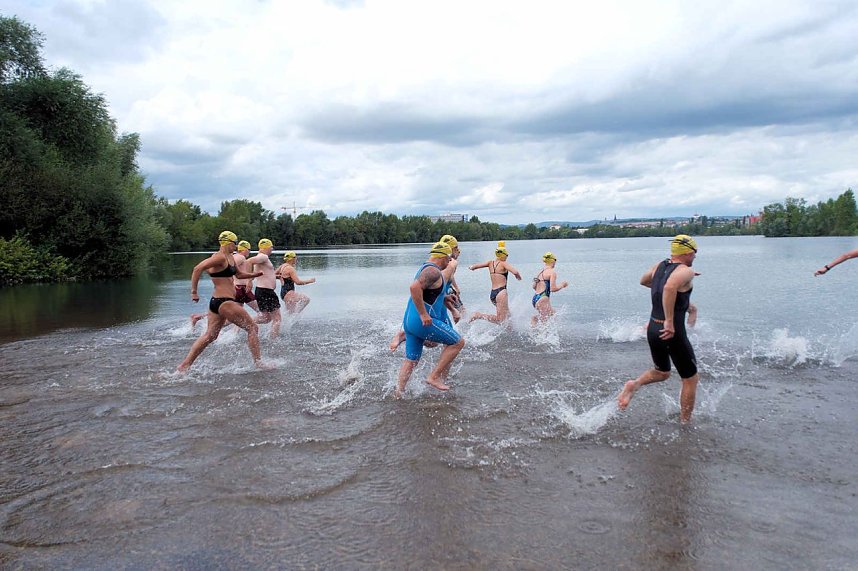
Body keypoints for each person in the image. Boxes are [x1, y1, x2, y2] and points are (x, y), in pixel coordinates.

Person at [618, 235, 700, 424]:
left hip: (653, 329)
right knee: (690, 378)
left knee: (662, 372)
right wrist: (670, 321)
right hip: (671, 331)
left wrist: (681, 289)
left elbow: (645, 281)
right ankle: (685, 423)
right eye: (695, 253)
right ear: (688, 252)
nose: (695, 256)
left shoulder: (659, 266)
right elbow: (670, 287)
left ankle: (634, 384)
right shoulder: (685, 271)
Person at [177, 231, 268, 372]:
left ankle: (185, 365)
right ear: (227, 242)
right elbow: (197, 269)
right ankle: (259, 363)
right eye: (235, 243)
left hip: (218, 302)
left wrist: (254, 275)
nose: (237, 246)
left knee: (210, 335)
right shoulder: (219, 257)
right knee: (253, 328)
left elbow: (238, 274)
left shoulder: (230, 257)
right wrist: (194, 292)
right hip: (224, 301)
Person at [395, 242, 465, 398]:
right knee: (457, 342)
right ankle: (434, 377)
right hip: (420, 321)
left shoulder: (425, 267)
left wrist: (445, 297)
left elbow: (426, 293)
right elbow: (414, 288)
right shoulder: (433, 271)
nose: (449, 262)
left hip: (409, 322)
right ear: (443, 257)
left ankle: (398, 393)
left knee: (411, 360)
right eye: (448, 259)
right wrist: (423, 314)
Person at [468, 241, 522, 324]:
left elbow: (475, 266)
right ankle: (478, 315)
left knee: (508, 315)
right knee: (500, 319)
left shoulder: (490, 263)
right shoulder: (503, 263)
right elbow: (515, 272)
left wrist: (471, 267)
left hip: (493, 294)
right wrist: (518, 276)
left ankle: (511, 333)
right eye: (507, 255)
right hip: (501, 293)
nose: (507, 257)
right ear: (503, 255)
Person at [245, 239, 281, 339]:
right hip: (266, 291)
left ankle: (244, 323)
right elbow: (249, 261)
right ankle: (274, 340)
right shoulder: (263, 256)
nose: (272, 249)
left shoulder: (260, 258)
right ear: (266, 247)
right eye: (271, 247)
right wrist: (249, 280)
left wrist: (275, 277)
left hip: (261, 291)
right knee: (277, 318)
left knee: (266, 318)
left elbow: (263, 273)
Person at [530, 252, 569, 325]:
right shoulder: (552, 272)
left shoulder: (540, 272)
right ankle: (535, 323)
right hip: (543, 298)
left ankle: (535, 322)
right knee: (545, 323)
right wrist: (562, 285)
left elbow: (534, 287)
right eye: (555, 260)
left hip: (535, 298)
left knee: (553, 314)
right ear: (552, 261)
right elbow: (553, 289)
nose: (555, 263)